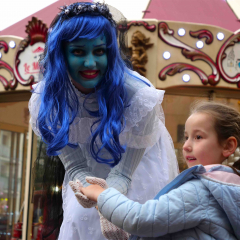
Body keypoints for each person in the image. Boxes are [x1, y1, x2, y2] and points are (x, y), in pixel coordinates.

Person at [28, 2, 179, 240]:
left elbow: (124, 175)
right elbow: (77, 167)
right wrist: (90, 198)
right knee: (80, 218)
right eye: (78, 51)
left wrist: (111, 208)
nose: (90, 63)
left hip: (137, 170)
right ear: (61, 54)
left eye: (99, 51)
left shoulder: (139, 96)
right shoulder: (47, 100)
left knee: (129, 224)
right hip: (86, 176)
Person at [78, 101, 240, 240]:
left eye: (198, 137)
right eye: (186, 137)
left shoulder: (200, 190)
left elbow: (142, 219)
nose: (186, 146)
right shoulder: (226, 187)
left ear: (228, 146)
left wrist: (101, 195)